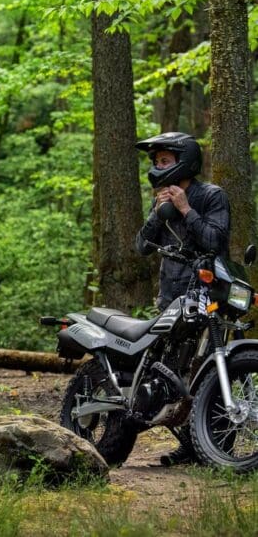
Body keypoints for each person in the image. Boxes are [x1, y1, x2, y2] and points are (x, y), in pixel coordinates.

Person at [135, 131, 231, 466]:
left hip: (208, 295)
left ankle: (219, 446)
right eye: (156, 161)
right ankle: (189, 447)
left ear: (184, 162)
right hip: (170, 298)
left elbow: (215, 242)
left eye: (164, 161)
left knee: (209, 371)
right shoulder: (159, 199)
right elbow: (141, 247)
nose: (158, 167)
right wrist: (156, 213)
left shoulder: (211, 196)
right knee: (173, 375)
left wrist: (185, 208)